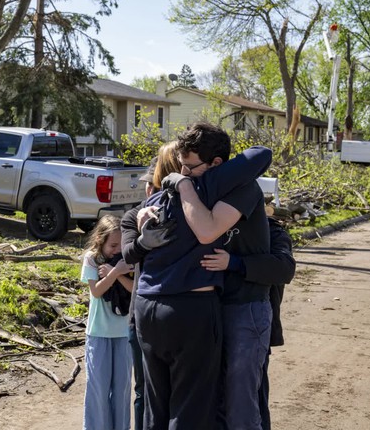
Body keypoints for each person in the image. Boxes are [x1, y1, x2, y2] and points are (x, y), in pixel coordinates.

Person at [135, 123, 273, 430]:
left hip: (243, 307)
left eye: (190, 166)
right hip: (206, 306)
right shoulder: (191, 190)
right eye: (179, 165)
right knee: (207, 406)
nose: (183, 172)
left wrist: (234, 263)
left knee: (238, 406)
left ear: (217, 165)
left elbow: (207, 229)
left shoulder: (239, 188)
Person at [200, 217, 295, 430]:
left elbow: (284, 268)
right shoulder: (212, 224)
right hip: (212, 323)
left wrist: (235, 263)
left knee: (249, 401)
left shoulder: (270, 228)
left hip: (251, 324)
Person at [121, 143, 180, 430]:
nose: (147, 190)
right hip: (140, 315)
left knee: (170, 394)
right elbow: (128, 253)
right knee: (144, 390)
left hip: (170, 311)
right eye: (147, 185)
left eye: (151, 184)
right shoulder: (133, 216)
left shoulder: (183, 209)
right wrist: (145, 240)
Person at [81, 214, 135, 430]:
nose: (117, 250)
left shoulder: (126, 260)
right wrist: (115, 273)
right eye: (112, 245)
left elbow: (135, 289)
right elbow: (96, 291)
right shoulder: (91, 259)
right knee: (98, 390)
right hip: (98, 333)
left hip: (123, 333)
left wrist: (118, 272)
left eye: (120, 245)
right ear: (100, 241)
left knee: (122, 390)